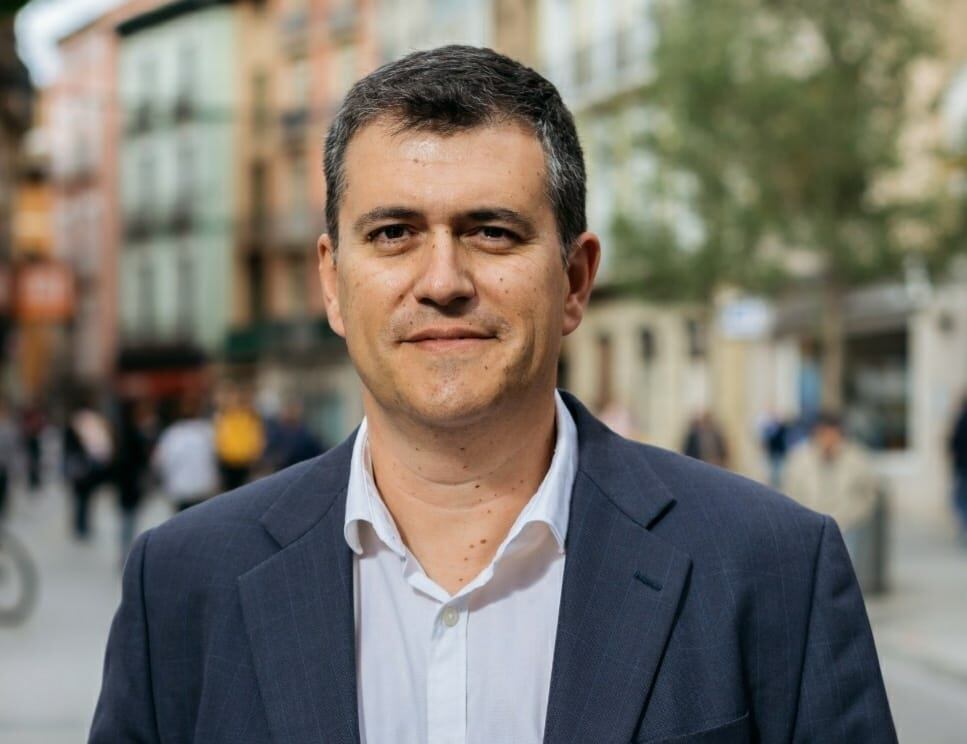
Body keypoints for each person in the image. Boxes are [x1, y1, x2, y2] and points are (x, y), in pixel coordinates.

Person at [91, 46, 895, 743]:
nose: (442, 281)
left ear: (574, 279)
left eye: (492, 232)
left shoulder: (770, 568)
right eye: (394, 234)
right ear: (332, 284)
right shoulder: (184, 583)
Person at [152, 395, 218, 513]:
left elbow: (159, 462)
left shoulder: (172, 434)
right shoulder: (208, 430)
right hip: (202, 488)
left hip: (183, 489)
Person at [113, 398, 157, 562]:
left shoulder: (121, 435)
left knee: (127, 519)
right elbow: (142, 460)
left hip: (125, 484)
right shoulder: (134, 436)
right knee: (129, 520)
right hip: (131, 484)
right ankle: (127, 553)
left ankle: (125, 552)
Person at [63, 398, 114, 540]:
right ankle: (81, 526)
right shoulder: (87, 424)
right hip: (84, 469)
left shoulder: (77, 424)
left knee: (82, 500)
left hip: (83, 470)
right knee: (83, 500)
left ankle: (81, 526)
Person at [213, 387, 265, 490]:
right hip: (227, 461)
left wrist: (254, 453)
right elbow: (220, 438)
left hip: (244, 461)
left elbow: (256, 438)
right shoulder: (224, 417)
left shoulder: (249, 417)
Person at [260, 399, 325, 473]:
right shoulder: (275, 431)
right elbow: (268, 452)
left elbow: (319, 452)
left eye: (294, 410)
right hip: (279, 471)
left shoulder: (306, 435)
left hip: (300, 471)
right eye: (289, 410)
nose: (291, 413)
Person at [949, 395, 967, 541]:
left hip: (962, 467)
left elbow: (954, 443)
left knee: (959, 499)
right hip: (962, 467)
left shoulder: (962, 420)